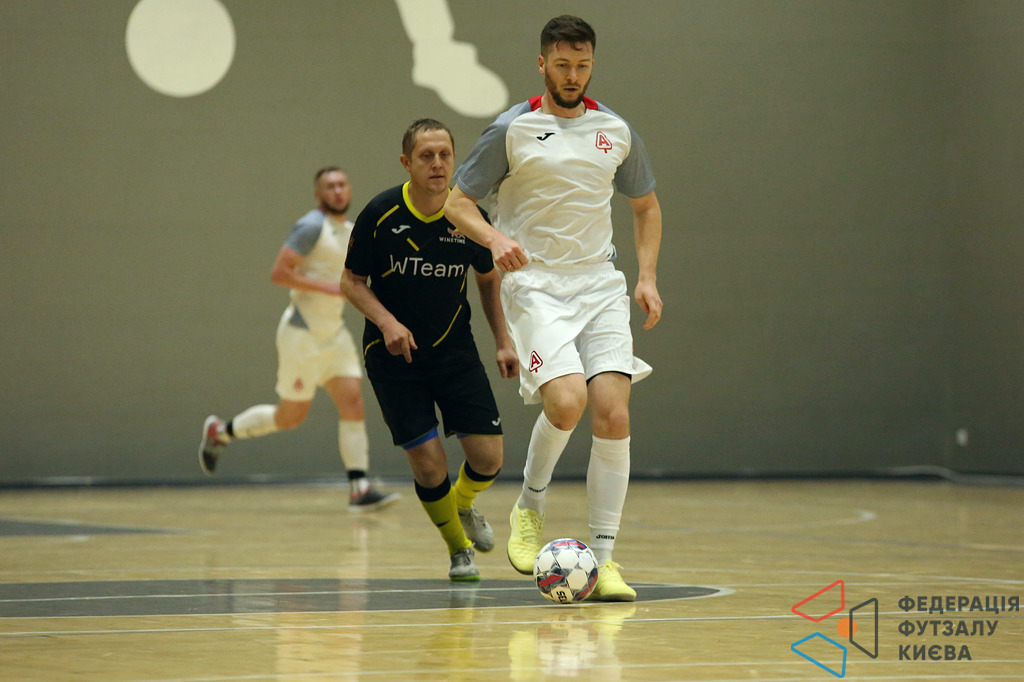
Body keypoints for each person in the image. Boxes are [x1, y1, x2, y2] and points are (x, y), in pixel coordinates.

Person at [443, 15, 663, 601]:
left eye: (582, 66)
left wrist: (646, 276)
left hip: (599, 284)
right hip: (535, 284)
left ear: (592, 66)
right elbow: (457, 203)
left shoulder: (614, 130)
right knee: (566, 402)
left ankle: (606, 561)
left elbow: (646, 206)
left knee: (613, 414)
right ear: (542, 64)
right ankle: (530, 504)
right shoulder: (512, 129)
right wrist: (494, 239)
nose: (573, 75)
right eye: (562, 65)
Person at [340, 119, 519, 581]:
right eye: (426, 156)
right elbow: (351, 282)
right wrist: (387, 322)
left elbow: (487, 280)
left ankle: (461, 504)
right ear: (407, 163)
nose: (437, 164)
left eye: (445, 155)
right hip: (393, 358)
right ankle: (459, 549)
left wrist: (503, 341)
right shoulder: (381, 214)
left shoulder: (468, 218)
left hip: (453, 350)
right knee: (428, 463)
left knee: (489, 459)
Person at [199, 167, 400, 512]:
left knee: (353, 403)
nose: (337, 191)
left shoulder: (351, 230)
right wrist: (328, 287)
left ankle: (359, 488)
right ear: (318, 194)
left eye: (342, 184)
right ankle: (221, 431)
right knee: (290, 417)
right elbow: (279, 273)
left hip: (334, 334)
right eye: (329, 186)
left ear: (349, 189)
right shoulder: (310, 226)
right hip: (301, 333)